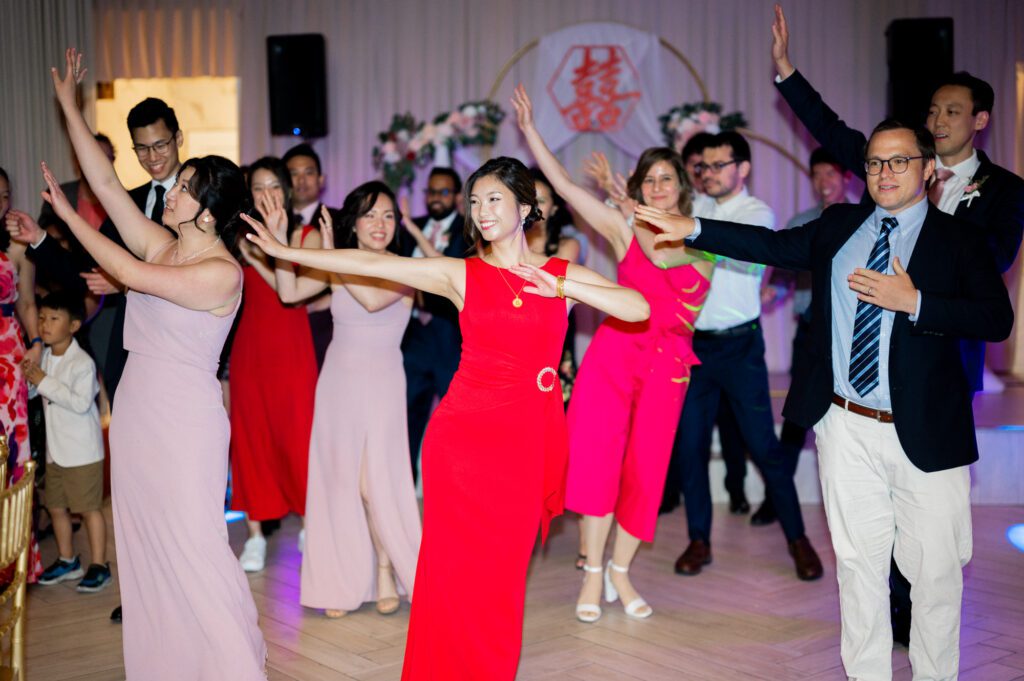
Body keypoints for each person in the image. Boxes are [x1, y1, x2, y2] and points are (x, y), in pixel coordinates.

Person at [244, 152, 649, 679]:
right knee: (453, 572)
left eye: (494, 199)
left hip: (525, 444)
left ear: (525, 207)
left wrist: (565, 287)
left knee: (504, 573)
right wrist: (283, 251)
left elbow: (637, 307)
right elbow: (377, 264)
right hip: (461, 441)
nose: (482, 210)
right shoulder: (461, 273)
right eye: (475, 201)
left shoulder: (561, 274)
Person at [637, 119, 1014, 681]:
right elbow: (767, 245)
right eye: (875, 163)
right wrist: (691, 226)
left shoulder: (958, 239)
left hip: (927, 433)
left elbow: (995, 319)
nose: (885, 173)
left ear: (928, 170)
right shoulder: (839, 224)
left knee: (934, 574)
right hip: (845, 424)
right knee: (858, 567)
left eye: (900, 161)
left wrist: (916, 301)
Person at [770, 1, 1024, 641]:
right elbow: (833, 132)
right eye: (933, 110)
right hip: (861, 380)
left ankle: (921, 602)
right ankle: (892, 613)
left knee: (932, 521)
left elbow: (989, 281)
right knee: (865, 537)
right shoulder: (892, 162)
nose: (937, 120)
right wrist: (787, 75)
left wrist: (929, 255)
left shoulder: (1003, 191)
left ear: (980, 122)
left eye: (952, 111)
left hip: (942, 352)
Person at [43, 49, 266, 679]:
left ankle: (228, 664)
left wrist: (65, 216)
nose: (172, 188)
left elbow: (124, 271)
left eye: (185, 184)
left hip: (184, 425)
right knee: (144, 547)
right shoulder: (167, 245)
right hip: (139, 415)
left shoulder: (222, 273)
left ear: (206, 209)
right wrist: (69, 105)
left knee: (194, 548)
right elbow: (109, 186)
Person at [511, 85, 714, 621]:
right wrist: (532, 133)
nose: (657, 186)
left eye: (666, 178)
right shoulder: (624, 229)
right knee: (597, 463)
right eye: (649, 179)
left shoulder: (704, 241)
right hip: (614, 359)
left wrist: (632, 211)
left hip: (669, 368)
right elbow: (563, 188)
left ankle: (622, 573)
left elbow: (664, 257)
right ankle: (594, 571)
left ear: (682, 186)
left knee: (646, 473)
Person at [664, 131, 822, 581]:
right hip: (694, 345)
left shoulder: (758, 213)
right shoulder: (698, 207)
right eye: (703, 166)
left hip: (740, 347)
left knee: (764, 446)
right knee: (691, 446)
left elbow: (735, 245)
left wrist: (690, 227)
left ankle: (797, 539)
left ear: (743, 169)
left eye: (719, 165)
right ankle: (699, 539)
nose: (709, 174)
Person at [269, 180, 421, 619]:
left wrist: (334, 256)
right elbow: (289, 293)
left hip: (382, 382)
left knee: (373, 486)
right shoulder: (340, 264)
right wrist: (281, 242)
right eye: (371, 214)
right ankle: (342, 582)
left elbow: (373, 301)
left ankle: (387, 569)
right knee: (339, 483)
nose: (381, 224)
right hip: (338, 381)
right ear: (354, 221)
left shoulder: (403, 267)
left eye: (389, 215)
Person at [229, 156, 318, 572]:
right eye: (258, 188)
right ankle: (255, 535)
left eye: (273, 186)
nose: (266, 195)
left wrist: (265, 253)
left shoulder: (308, 236)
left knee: (298, 439)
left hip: (293, 350)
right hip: (250, 351)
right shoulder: (237, 239)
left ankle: (309, 523)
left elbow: (292, 294)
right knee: (251, 441)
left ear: (286, 190)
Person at [757, 147, 850, 527]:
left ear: (847, 178)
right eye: (817, 175)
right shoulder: (803, 221)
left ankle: (848, 501)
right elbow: (782, 277)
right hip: (810, 332)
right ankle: (775, 499)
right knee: (796, 417)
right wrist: (771, 293)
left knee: (848, 417)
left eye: (831, 174)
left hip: (850, 334)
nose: (823, 182)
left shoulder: (865, 216)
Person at [26, 291, 110, 593]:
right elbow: (40, 395)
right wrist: (31, 381)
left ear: (74, 326)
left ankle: (99, 564)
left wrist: (42, 381)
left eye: (53, 318)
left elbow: (78, 402)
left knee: (88, 509)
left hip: (82, 453)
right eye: (42, 318)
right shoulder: (45, 356)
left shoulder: (82, 362)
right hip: (56, 452)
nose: (45, 324)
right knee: (57, 508)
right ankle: (67, 559)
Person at [398, 166, 472, 481]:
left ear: (456, 197)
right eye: (430, 191)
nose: (435, 198)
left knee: (456, 418)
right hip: (414, 334)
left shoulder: (467, 232)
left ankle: (456, 480)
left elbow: (447, 274)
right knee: (408, 412)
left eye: (443, 192)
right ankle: (404, 481)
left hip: (448, 336)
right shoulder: (409, 227)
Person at [282, 143, 341, 371]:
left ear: (321, 179)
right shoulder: (273, 222)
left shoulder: (337, 220)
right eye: (293, 174)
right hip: (279, 329)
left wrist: (326, 301)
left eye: (308, 172)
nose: (301, 180)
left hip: (322, 329)